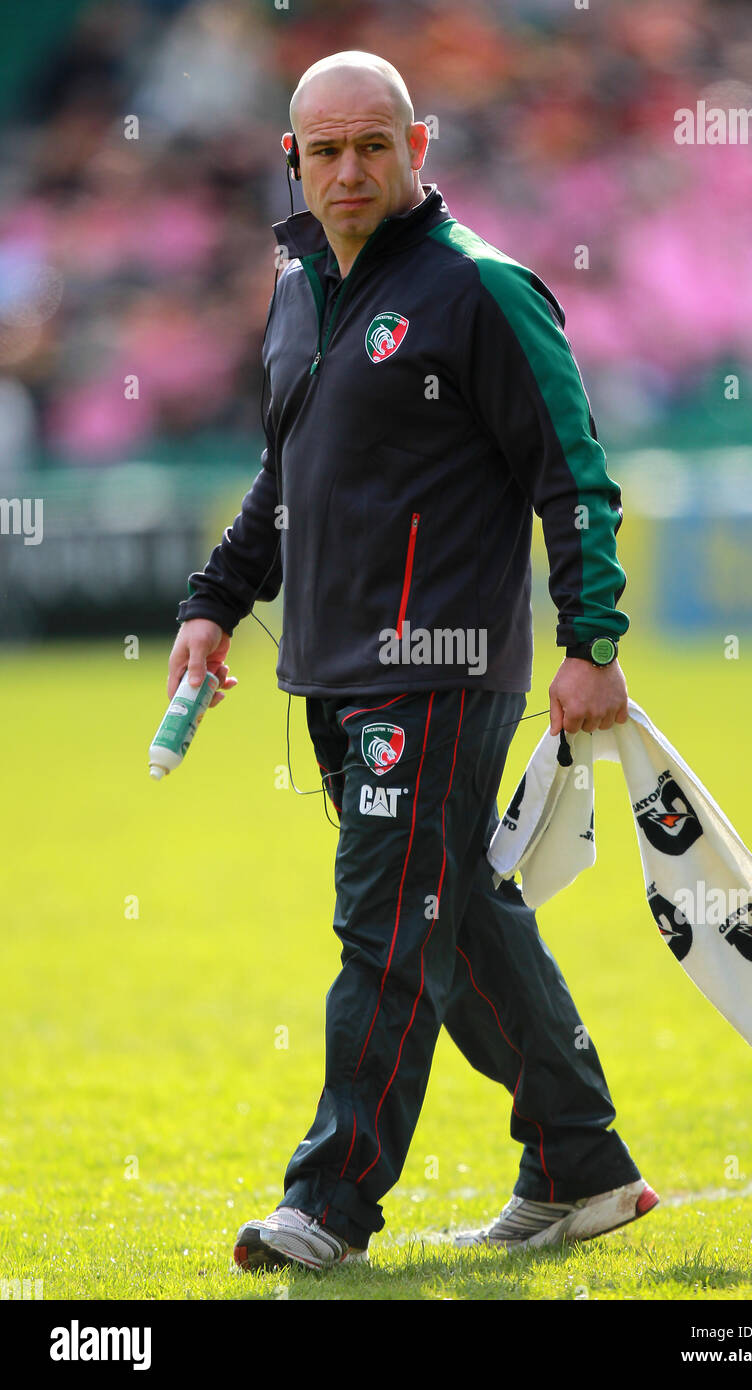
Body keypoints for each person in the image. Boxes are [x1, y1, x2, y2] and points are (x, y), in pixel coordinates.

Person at [167, 50, 658, 1274]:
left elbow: (574, 474)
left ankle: (329, 1202)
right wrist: (215, 600)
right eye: (324, 150)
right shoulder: (295, 286)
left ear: (418, 144)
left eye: (372, 145)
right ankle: (577, 1166)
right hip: (330, 669)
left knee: (384, 926)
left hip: (437, 665)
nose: (348, 170)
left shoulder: (482, 290)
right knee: (458, 924)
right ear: (291, 158)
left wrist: (590, 642)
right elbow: (287, 477)